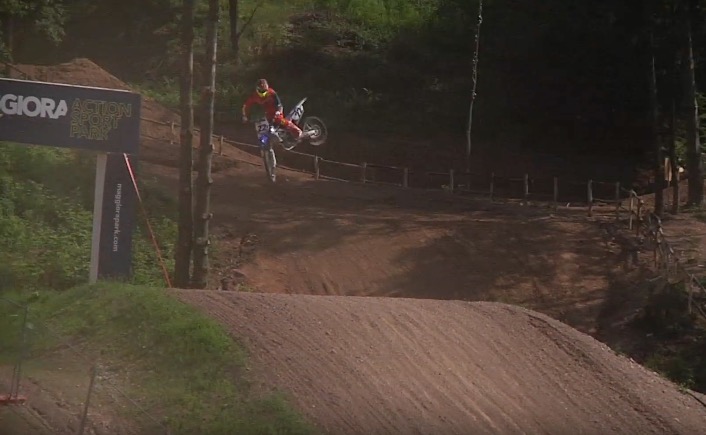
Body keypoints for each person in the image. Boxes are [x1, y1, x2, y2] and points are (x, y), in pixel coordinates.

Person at [241, 78, 310, 141]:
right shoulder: (254, 96)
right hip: (267, 113)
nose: (263, 92)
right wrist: (245, 116)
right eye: (261, 91)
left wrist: (278, 112)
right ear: (257, 89)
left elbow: (279, 104)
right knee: (264, 125)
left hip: (276, 111)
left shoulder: (271, 93)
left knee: (280, 120)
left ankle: (298, 132)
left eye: (265, 90)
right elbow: (246, 106)